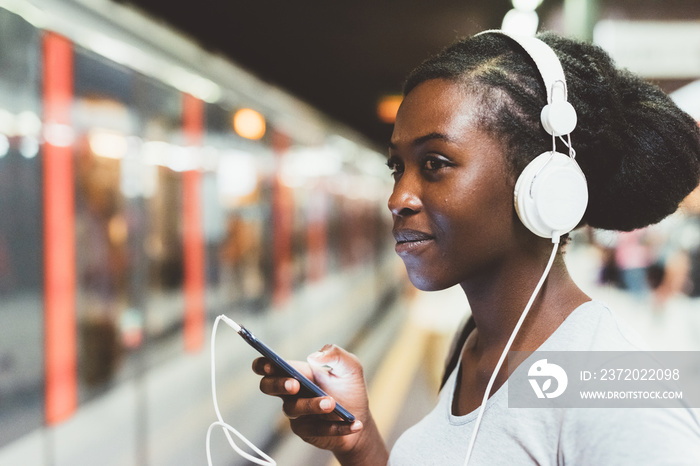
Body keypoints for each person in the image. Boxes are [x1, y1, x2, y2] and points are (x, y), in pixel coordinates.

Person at [252, 30, 700, 465]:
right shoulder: (474, 345)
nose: (397, 199)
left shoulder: (607, 386)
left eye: (435, 164)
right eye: (397, 168)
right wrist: (360, 444)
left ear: (542, 187)